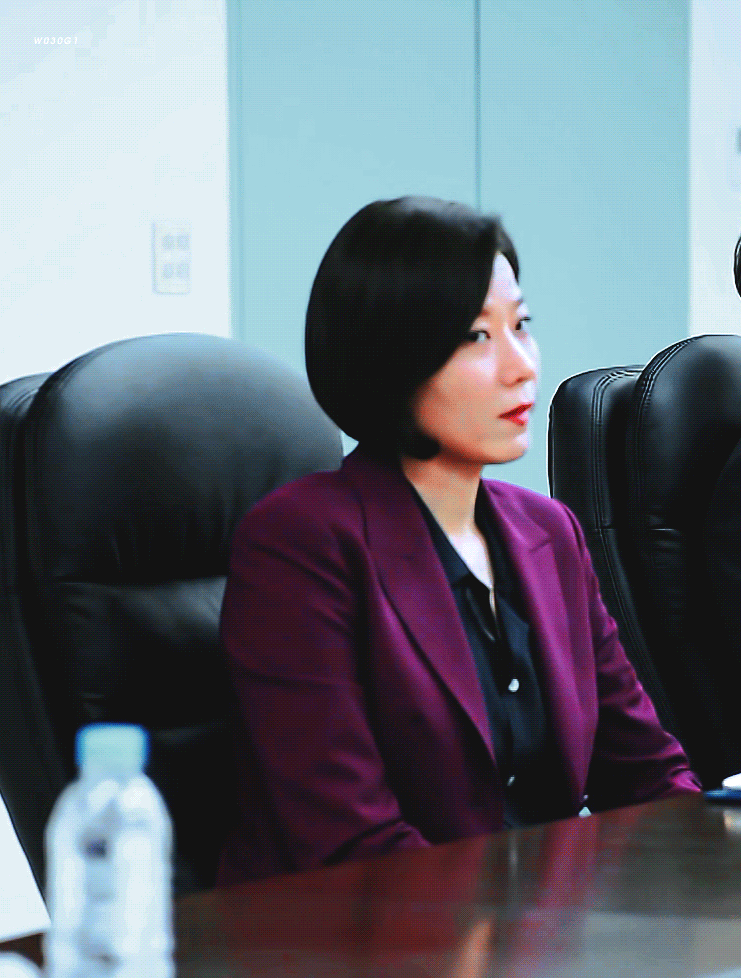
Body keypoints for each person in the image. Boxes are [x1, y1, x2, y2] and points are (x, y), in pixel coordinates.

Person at [216, 197, 701, 885]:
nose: (521, 366)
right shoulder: (299, 545)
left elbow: (644, 774)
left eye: (520, 325)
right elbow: (348, 842)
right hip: (367, 928)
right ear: (389, 357)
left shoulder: (550, 533)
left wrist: (714, 857)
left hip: (540, 924)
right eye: (477, 336)